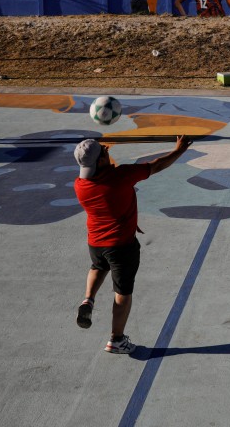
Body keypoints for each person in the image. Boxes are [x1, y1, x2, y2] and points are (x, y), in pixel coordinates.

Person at [73, 135, 193, 354]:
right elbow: (156, 166)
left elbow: (106, 181)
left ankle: (88, 300)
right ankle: (116, 340)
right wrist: (179, 150)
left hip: (96, 242)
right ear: (100, 160)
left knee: (98, 267)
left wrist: (103, 155)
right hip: (121, 246)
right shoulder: (121, 176)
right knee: (122, 292)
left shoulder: (80, 185)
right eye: (105, 152)